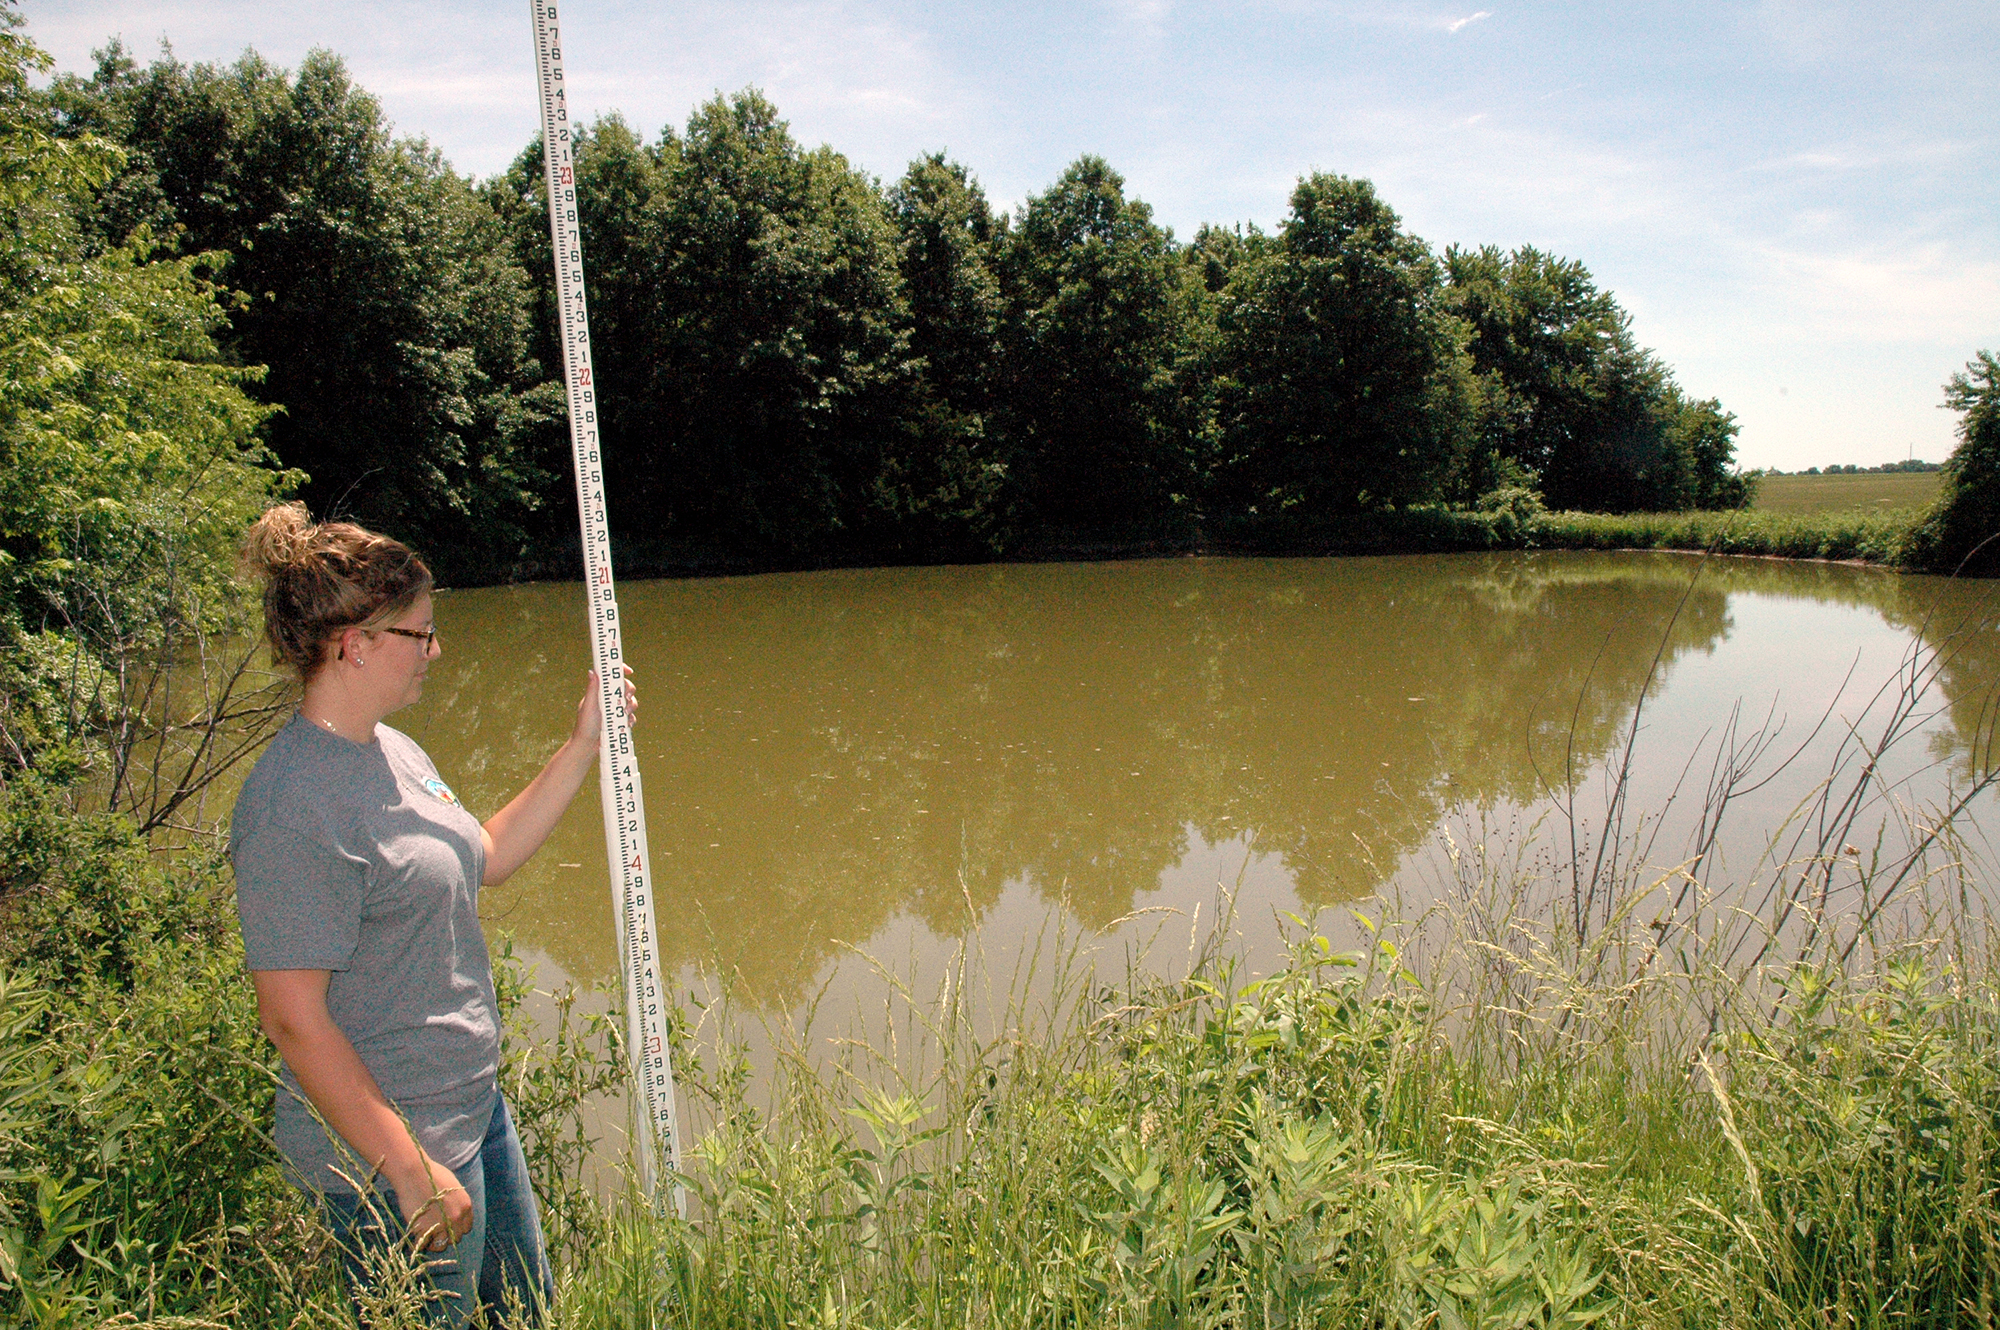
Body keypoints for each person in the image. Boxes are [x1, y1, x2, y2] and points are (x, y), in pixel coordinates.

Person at [230, 502, 634, 1328]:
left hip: (472, 1109)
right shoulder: (294, 805)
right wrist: (409, 1168)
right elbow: (293, 1020)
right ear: (356, 645)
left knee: (525, 1316)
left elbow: (479, 856)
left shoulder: (392, 751)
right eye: (421, 634)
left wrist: (582, 745)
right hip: (389, 1158)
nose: (436, 651)